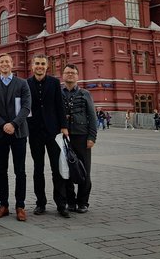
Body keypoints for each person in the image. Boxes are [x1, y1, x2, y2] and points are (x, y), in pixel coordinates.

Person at [0, 53, 31, 222]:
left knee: (20, 170)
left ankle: (20, 205)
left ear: (12, 64)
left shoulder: (22, 83)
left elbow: (26, 107)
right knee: (0, 170)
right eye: (2, 62)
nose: (5, 64)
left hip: (18, 133)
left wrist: (13, 124)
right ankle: (3, 204)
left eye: (7, 61)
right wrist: (2, 124)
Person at [26, 54, 69, 218]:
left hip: (53, 131)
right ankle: (40, 203)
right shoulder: (26, 84)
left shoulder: (54, 82)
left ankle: (61, 204)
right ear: (32, 66)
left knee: (57, 169)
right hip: (35, 132)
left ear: (47, 66)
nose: (40, 66)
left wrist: (64, 126)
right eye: (37, 63)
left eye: (42, 64)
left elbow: (60, 105)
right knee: (38, 169)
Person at [61, 64, 97, 214]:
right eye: (67, 72)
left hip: (82, 137)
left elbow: (92, 117)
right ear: (62, 75)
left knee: (84, 170)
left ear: (77, 76)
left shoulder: (85, 93)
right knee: (66, 170)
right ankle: (70, 201)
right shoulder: (58, 93)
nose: (70, 75)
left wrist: (92, 137)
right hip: (64, 138)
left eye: (73, 73)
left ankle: (83, 202)